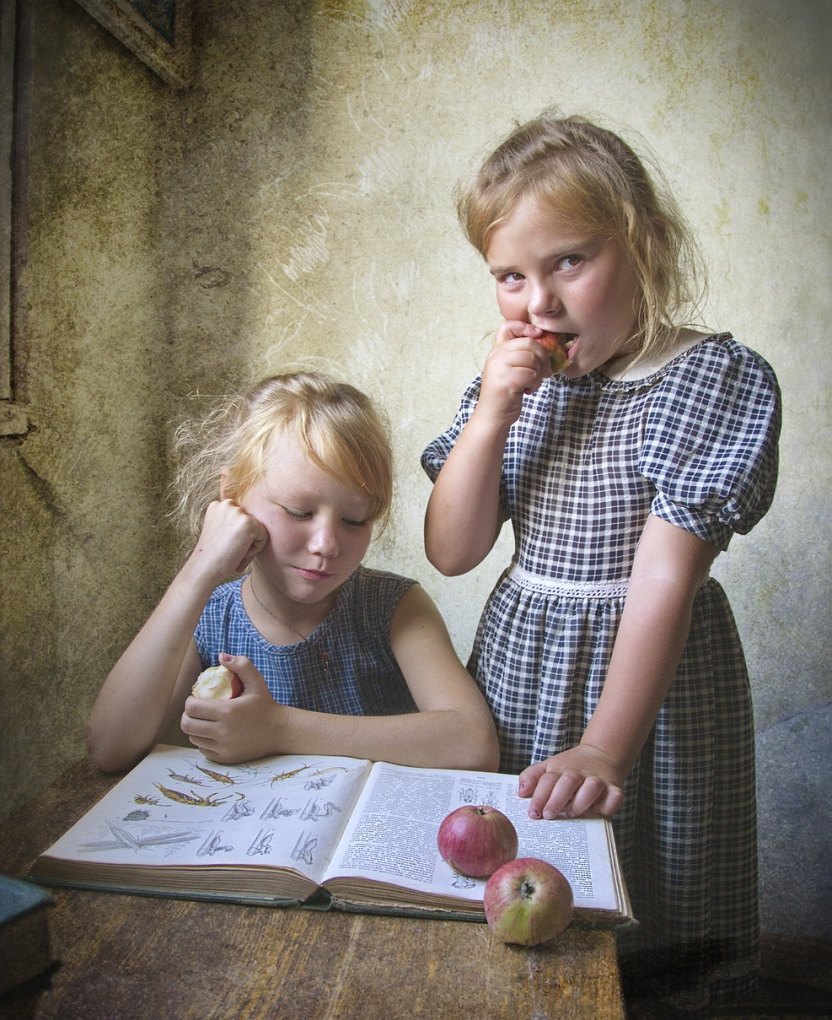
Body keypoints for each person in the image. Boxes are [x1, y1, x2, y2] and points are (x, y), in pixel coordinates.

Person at [421, 111, 780, 1016]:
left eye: (568, 263)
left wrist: (605, 746)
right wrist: (490, 419)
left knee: (657, 897)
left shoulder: (708, 380)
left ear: (645, 246)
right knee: (518, 890)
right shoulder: (512, 389)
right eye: (510, 276)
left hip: (645, 683)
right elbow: (453, 552)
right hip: (522, 663)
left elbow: (664, 577)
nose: (537, 302)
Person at [88, 371, 499, 777]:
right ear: (232, 497)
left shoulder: (392, 607)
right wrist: (199, 570)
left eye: (355, 519)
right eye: (299, 512)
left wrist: (279, 728)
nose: (326, 544)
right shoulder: (210, 618)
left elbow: (474, 744)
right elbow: (110, 748)